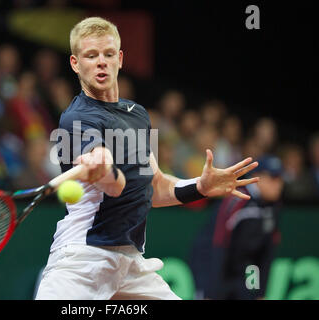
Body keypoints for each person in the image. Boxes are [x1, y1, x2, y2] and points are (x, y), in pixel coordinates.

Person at [35, 16, 259, 300]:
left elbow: (154, 186)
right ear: (75, 64)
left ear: (120, 58)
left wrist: (200, 187)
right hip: (84, 259)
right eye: (91, 56)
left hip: (130, 262)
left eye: (107, 54)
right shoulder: (77, 119)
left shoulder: (138, 115)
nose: (101, 62)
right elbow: (114, 186)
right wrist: (103, 165)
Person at [190, 155, 284, 299]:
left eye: (280, 179)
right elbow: (218, 243)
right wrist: (211, 292)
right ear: (257, 177)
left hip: (243, 269)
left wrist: (260, 293)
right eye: (273, 178)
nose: (278, 184)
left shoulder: (274, 207)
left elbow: (265, 254)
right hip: (212, 262)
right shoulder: (237, 199)